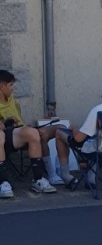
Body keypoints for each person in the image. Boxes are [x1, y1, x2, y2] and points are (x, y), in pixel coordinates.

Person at [0, 69, 58, 198]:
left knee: (33, 133)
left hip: (14, 134)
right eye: (10, 85)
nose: (12, 89)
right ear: (1, 86)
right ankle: (3, 183)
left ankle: (38, 179)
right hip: (2, 134)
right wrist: (7, 122)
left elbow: (18, 121)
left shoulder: (10, 99)